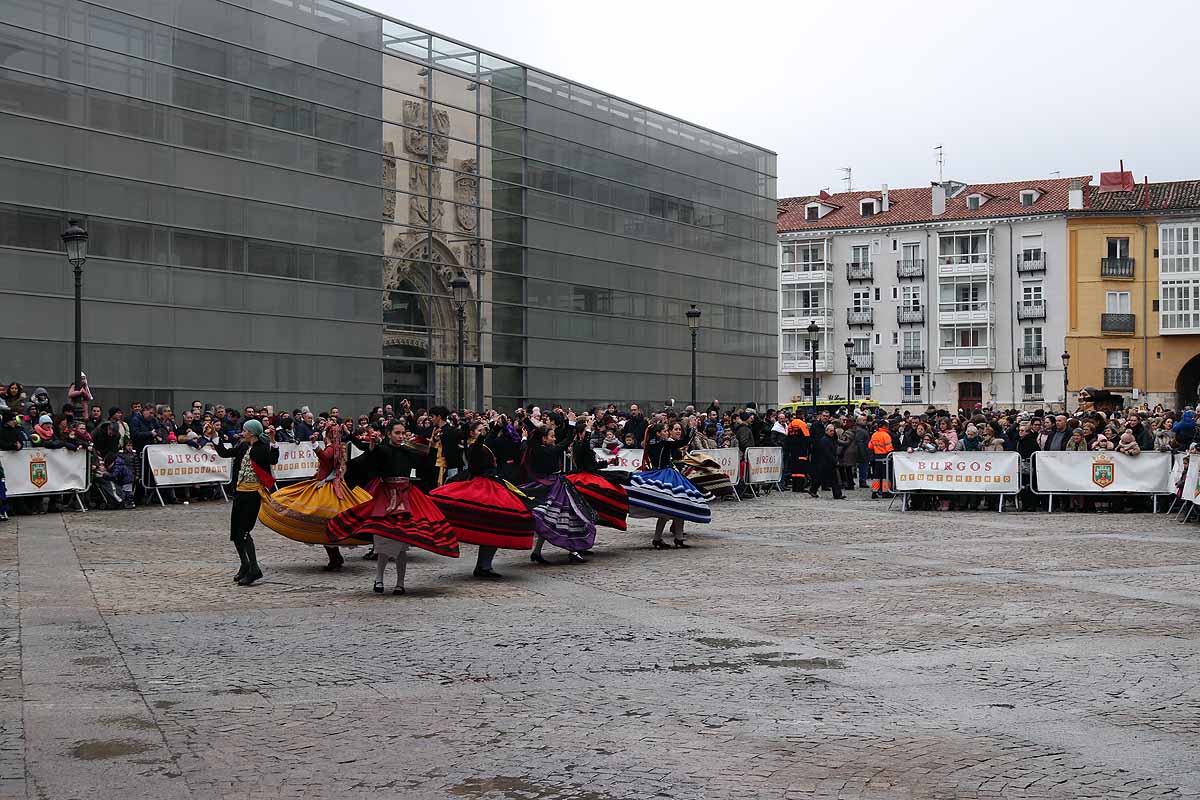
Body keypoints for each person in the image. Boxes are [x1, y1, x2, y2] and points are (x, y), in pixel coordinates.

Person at [328, 419, 458, 595]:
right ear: (389, 434)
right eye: (397, 433)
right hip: (386, 496)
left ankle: (400, 583)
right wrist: (373, 449)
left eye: (403, 433)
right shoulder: (382, 450)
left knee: (402, 544)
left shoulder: (408, 450)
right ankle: (379, 579)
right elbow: (367, 464)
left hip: (407, 496)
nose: (401, 436)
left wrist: (433, 446)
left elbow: (425, 466)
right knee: (383, 542)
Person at [256, 422, 372, 571]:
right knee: (325, 522)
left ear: (328, 434)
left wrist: (314, 444)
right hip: (326, 484)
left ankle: (335, 558)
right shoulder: (337, 448)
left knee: (323, 519)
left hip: (327, 488)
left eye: (325, 432)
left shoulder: (331, 448)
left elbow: (324, 458)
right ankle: (335, 557)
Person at [430, 440, 534, 580]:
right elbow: (477, 455)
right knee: (492, 526)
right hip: (486, 488)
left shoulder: (479, 450)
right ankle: (484, 565)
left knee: (492, 529)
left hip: (489, 486)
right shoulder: (477, 451)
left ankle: (484, 565)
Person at [209, 419, 279, 586]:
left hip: (253, 494)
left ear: (253, 433)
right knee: (236, 534)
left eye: (245, 430)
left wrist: (274, 441)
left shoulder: (261, 448)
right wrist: (214, 436)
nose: (243, 432)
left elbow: (273, 460)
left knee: (245, 532)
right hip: (240, 492)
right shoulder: (242, 446)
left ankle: (255, 569)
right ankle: (245, 564)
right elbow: (225, 453)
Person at [627, 422, 711, 549]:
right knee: (678, 504)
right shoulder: (664, 443)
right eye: (665, 431)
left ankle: (669, 538)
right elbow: (683, 442)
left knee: (671, 507)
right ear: (658, 433)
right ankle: (671, 538)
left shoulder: (650, 444)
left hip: (656, 474)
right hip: (667, 475)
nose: (667, 433)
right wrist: (691, 428)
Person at [808, 424, 844, 500]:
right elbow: (827, 453)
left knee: (830, 479)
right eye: (830, 431)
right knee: (826, 478)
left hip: (828, 462)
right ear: (826, 431)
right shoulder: (824, 440)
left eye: (833, 431)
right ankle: (836, 494)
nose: (832, 432)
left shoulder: (831, 439)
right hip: (825, 462)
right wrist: (835, 461)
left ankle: (836, 494)